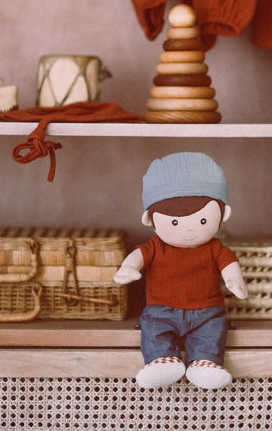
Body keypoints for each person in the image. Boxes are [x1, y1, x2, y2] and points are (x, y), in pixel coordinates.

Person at [114, 152, 247, 389]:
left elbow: (229, 265)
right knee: (153, 330)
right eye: (174, 222)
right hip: (161, 310)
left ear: (224, 214)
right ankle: (160, 360)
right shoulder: (156, 247)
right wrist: (128, 267)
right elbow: (139, 256)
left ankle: (206, 361)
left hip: (207, 311)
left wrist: (234, 280)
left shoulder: (215, 248)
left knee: (212, 331)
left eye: (202, 220)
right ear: (149, 219)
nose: (188, 231)